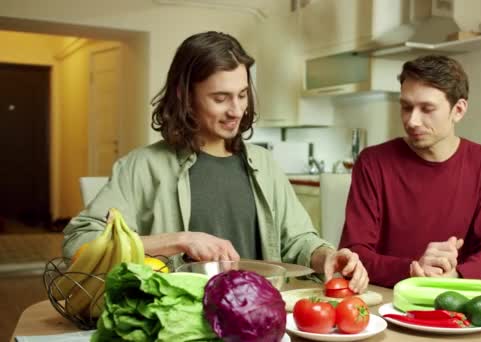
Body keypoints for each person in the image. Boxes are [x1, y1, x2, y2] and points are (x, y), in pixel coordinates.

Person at [63, 31, 368, 293]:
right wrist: (180, 241)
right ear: (186, 96)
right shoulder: (143, 166)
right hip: (178, 323)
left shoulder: (264, 165)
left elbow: (297, 240)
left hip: (256, 320)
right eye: (220, 98)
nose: (236, 110)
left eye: (243, 95)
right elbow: (79, 245)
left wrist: (325, 255)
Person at [339, 55, 481, 288]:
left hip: (455, 301)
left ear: (458, 110)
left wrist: (455, 276)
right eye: (406, 107)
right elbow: (353, 254)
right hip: (389, 300)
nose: (412, 121)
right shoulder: (372, 162)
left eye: (427, 108)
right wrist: (414, 268)